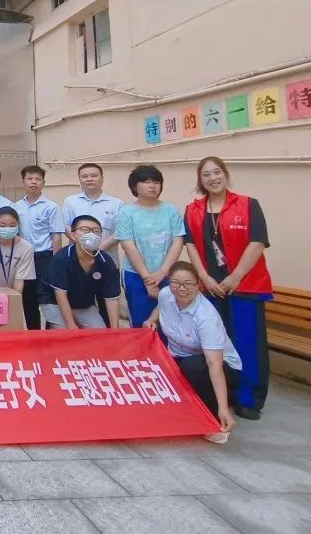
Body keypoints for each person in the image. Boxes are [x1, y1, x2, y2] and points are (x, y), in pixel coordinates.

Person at [184, 156, 272, 421]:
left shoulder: (248, 204)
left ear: (225, 173)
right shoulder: (192, 210)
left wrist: (236, 277)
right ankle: (223, 395)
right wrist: (204, 277)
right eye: (206, 175)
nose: (213, 178)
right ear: (200, 180)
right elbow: (190, 246)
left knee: (247, 342)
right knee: (215, 342)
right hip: (210, 287)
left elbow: (257, 242)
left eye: (217, 172)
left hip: (245, 285)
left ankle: (249, 398)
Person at [144, 261, 241, 443]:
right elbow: (161, 306)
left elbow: (214, 364)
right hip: (179, 358)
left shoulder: (206, 316)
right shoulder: (166, 294)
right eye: (176, 283)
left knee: (193, 367)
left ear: (199, 285)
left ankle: (213, 416)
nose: (182, 288)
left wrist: (223, 408)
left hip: (221, 366)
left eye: (188, 284)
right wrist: (151, 320)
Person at [116, 164, 185, 331]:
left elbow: (177, 242)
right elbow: (128, 246)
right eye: (146, 182)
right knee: (142, 321)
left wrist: (162, 272)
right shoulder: (126, 212)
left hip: (167, 273)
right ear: (135, 186)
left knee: (169, 319)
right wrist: (148, 279)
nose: (152, 186)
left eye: (156, 182)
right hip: (135, 274)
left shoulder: (171, 211)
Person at [62, 162, 123, 324]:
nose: (89, 179)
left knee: (107, 303)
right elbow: (66, 226)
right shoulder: (70, 201)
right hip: (78, 262)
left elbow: (120, 232)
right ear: (79, 180)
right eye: (85, 176)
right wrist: (81, 245)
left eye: (94, 175)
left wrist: (98, 249)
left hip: (107, 260)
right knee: (79, 302)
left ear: (102, 178)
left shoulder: (116, 203)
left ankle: (110, 334)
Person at [43, 215, 122, 329]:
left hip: (83, 305)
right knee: (64, 332)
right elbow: (60, 294)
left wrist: (115, 330)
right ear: (73, 235)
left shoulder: (106, 261)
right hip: (54, 302)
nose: (91, 234)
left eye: (96, 231)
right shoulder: (62, 258)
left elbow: (112, 298)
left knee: (100, 332)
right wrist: (71, 324)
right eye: (85, 229)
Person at [14, 165, 64, 330]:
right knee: (28, 299)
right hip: (24, 259)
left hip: (45, 258)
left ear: (43, 183)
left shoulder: (52, 207)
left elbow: (56, 236)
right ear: (23, 182)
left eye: (38, 179)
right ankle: (33, 333)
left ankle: (50, 333)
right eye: (30, 179)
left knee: (49, 298)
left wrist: (56, 263)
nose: (33, 182)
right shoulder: (16, 207)